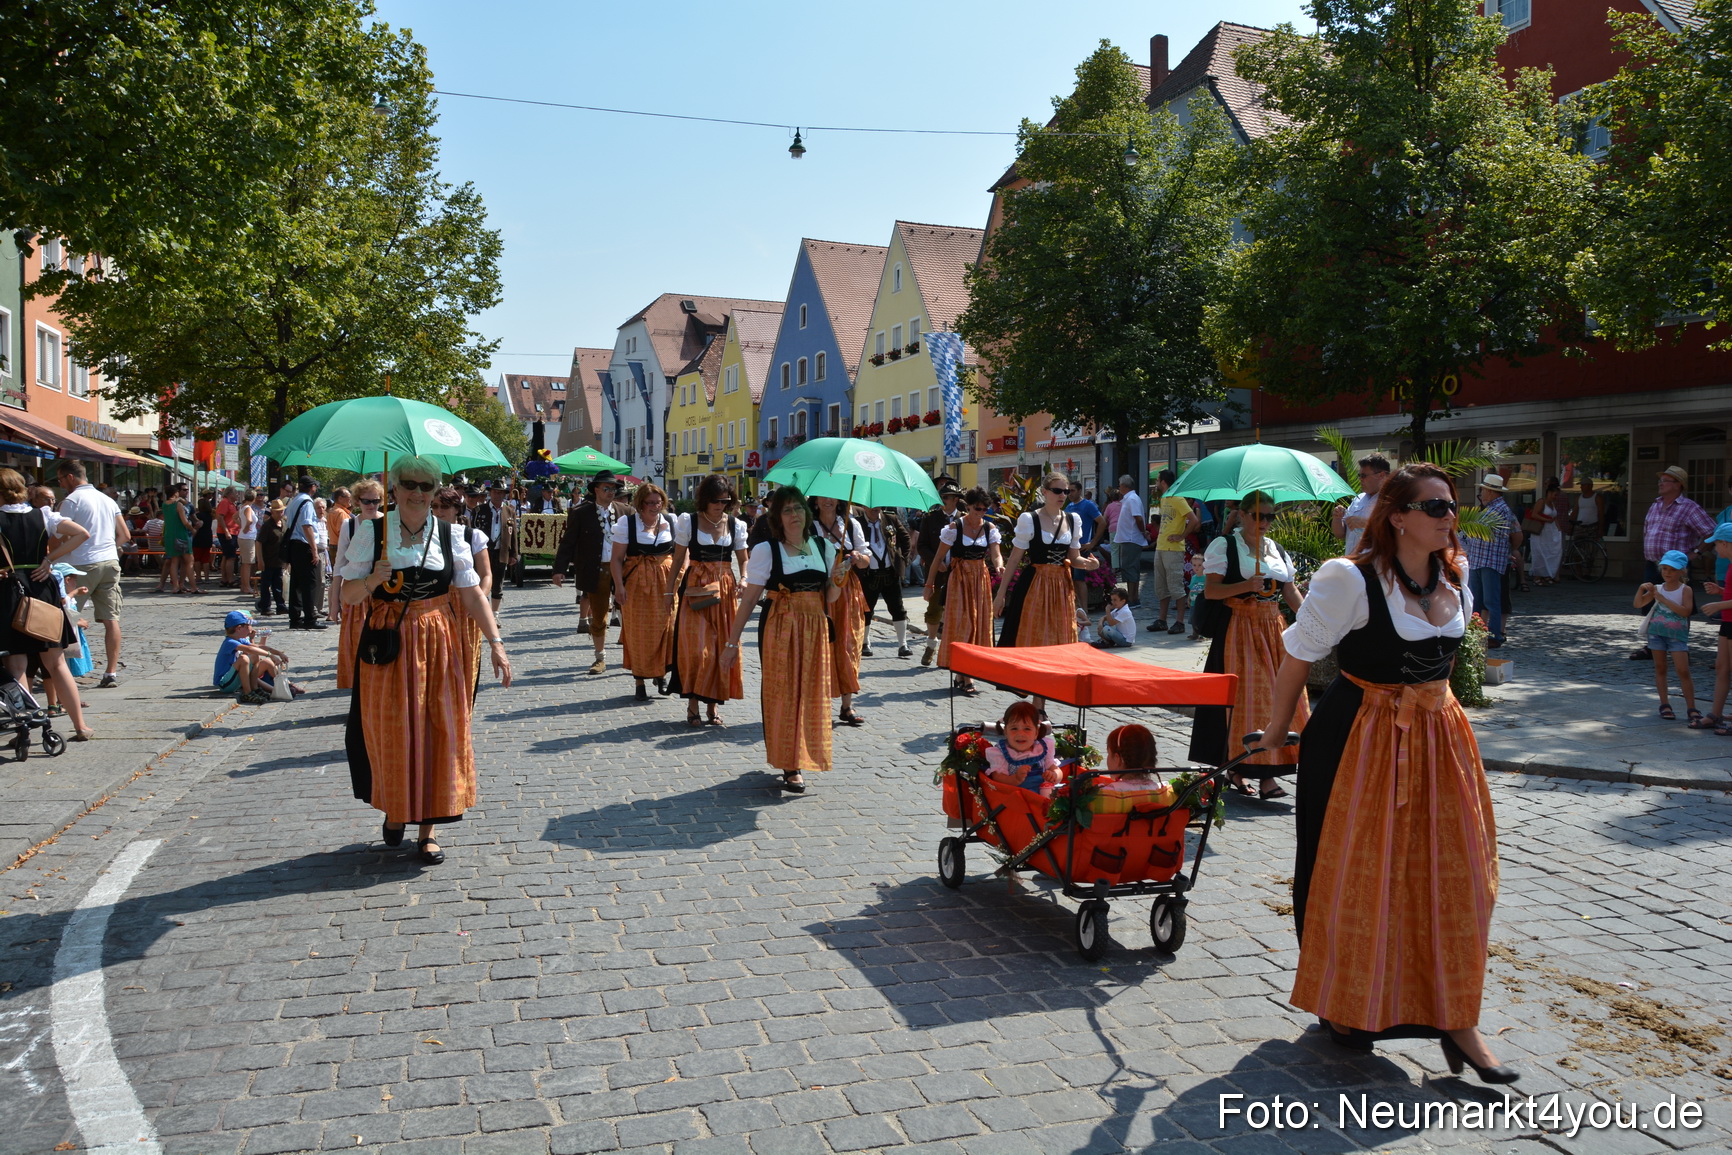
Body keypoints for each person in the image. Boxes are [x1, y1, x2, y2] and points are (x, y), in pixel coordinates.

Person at [1251, 463, 1515, 1084]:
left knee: (1462, 877)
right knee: (1354, 873)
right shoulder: (1349, 579)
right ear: (1397, 517)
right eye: (1437, 507)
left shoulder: (1457, 574)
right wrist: (1271, 735)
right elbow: (1296, 659)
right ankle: (1349, 1003)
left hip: (1440, 738)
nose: (1451, 517)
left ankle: (1457, 1019)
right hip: (1359, 736)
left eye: (1453, 505)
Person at [340, 456, 511, 866]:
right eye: (410, 484)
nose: (418, 492)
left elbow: (471, 594)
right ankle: (395, 807)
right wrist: (371, 581)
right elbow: (348, 595)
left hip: (438, 640)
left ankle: (427, 831)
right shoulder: (373, 532)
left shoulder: (452, 535)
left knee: (439, 728)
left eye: (427, 486)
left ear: (436, 492)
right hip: (387, 643)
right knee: (391, 728)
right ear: (394, 488)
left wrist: (496, 643)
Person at [1188, 489, 1307, 799]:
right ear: (1241, 515)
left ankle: (1268, 771)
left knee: (1279, 699)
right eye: (1258, 516)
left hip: (1273, 632)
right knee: (1247, 702)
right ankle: (1241, 770)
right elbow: (1211, 591)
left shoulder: (1276, 549)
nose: (1265, 522)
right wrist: (1245, 585)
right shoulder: (1224, 545)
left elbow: (1290, 592)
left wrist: (1311, 617)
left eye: (1270, 516)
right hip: (1239, 629)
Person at [724, 486, 842, 793]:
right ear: (777, 517)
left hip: (814, 626)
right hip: (780, 627)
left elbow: (829, 596)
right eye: (787, 510)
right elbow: (749, 601)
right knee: (784, 693)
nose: (794, 515)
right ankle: (790, 765)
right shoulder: (766, 550)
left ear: (807, 513)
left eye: (798, 508)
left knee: (812, 692)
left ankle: (803, 752)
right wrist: (731, 644)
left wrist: (839, 578)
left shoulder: (823, 547)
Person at [994, 472, 1100, 713]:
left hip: (1061, 587)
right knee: (1033, 639)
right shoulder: (1029, 519)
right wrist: (1000, 595)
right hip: (1035, 585)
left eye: (1066, 491)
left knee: (1058, 641)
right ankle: (1037, 701)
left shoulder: (1073, 520)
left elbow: (1074, 559)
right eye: (1057, 490)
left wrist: (1089, 564)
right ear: (1045, 492)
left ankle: (1042, 699)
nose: (1063, 495)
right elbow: (1014, 560)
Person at [0, 468, 94, 740]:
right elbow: (81, 533)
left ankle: (24, 727)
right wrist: (49, 560)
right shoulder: (43, 514)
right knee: (57, 663)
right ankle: (80, 725)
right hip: (41, 586)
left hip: (9, 590)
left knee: (16, 666)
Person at [668, 474, 748, 726]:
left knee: (719, 648)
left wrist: (744, 578)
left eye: (724, 500)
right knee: (695, 649)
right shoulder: (688, 522)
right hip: (696, 588)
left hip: (724, 589)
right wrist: (668, 592)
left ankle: (712, 707)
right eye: (715, 500)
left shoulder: (735, 525)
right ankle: (692, 704)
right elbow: (678, 560)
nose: (720, 505)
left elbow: (744, 559)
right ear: (705, 499)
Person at [56, 459, 129, 690]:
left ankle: (65, 671)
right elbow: (125, 535)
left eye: (59, 479)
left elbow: (63, 536)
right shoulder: (107, 499)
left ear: (69, 477)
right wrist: (109, 548)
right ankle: (111, 672)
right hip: (109, 562)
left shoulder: (71, 501)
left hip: (81, 564)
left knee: (67, 616)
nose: (60, 484)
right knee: (111, 620)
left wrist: (53, 558)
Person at [1632, 465, 1715, 660]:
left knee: (1681, 605)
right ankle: (1653, 646)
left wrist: (1695, 552)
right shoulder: (1655, 504)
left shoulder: (1688, 508)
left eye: (1666, 480)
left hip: (1677, 567)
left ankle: (1680, 644)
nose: (1660, 483)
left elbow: (1711, 532)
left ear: (1678, 485)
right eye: (1660, 480)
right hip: (1653, 564)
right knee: (1651, 604)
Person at [927, 486, 1002, 695]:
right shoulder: (954, 527)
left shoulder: (989, 528)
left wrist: (999, 566)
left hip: (980, 579)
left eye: (985, 508)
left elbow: (995, 554)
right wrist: (929, 585)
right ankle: (967, 677)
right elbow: (938, 559)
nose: (981, 512)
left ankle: (962, 674)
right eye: (977, 508)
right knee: (963, 625)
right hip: (959, 580)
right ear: (968, 506)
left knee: (977, 625)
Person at [553, 471, 628, 675]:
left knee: (629, 613)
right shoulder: (581, 512)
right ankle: (600, 657)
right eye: (606, 488)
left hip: (623, 570)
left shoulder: (626, 511)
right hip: (597, 569)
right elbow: (568, 542)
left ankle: (633, 656)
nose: (611, 492)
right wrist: (559, 569)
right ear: (596, 490)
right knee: (599, 616)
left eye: (613, 489)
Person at [610, 483, 678, 702]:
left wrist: (680, 577)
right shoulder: (627, 524)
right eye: (650, 502)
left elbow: (681, 554)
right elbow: (617, 560)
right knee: (638, 633)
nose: (655, 507)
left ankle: (660, 673)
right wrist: (619, 587)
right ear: (640, 503)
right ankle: (639, 680)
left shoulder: (671, 523)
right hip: (637, 585)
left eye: (658, 502)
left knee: (666, 629)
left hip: (666, 585)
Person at [811, 496, 869, 726]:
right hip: (819, 591)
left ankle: (847, 706)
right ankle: (818, 703)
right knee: (820, 646)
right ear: (815, 500)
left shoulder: (851, 525)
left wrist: (857, 557)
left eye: (832, 496)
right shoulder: (809, 525)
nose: (828, 500)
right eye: (823, 496)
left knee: (849, 645)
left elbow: (867, 561)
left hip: (847, 591)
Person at [433, 485, 494, 696]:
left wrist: (479, 601)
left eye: (445, 507)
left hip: (466, 605)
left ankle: (464, 712)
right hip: (436, 607)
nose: (439, 512)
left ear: (457, 509)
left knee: (466, 666)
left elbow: (486, 575)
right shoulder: (425, 535)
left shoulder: (472, 536)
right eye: (435, 507)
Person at [333, 479, 386, 692]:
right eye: (366, 501)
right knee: (356, 646)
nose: (371, 505)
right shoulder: (350, 525)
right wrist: (333, 603)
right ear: (357, 501)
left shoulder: (388, 523)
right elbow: (339, 565)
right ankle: (360, 692)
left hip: (382, 592)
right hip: (355, 593)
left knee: (381, 643)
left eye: (375, 500)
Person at [1636, 550, 1697, 722]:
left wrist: (1663, 600)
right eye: (1664, 569)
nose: (1667, 573)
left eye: (1672, 569)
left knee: (1683, 670)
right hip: (1657, 634)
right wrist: (1641, 589)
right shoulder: (1657, 588)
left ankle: (1691, 707)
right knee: (1660, 668)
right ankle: (1664, 704)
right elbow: (1638, 603)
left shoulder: (1686, 590)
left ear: (1682, 571)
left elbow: (1686, 611)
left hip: (1677, 636)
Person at [1465, 475, 1521, 650]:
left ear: (1490, 491)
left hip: (1489, 561)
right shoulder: (1492, 508)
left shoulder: (1501, 509)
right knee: (1478, 601)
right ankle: (1478, 633)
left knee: (1490, 601)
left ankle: (1494, 635)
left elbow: (1515, 534)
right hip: (1479, 559)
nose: (1481, 493)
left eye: (1483, 490)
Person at [915, 480, 962, 666]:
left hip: (958, 573)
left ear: (955, 500)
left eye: (946, 498)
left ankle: (952, 649)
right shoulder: (930, 518)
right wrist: (937, 561)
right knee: (934, 609)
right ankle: (931, 644)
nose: (942, 501)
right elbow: (921, 546)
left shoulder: (964, 519)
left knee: (956, 611)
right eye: (941, 497)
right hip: (936, 573)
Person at [857, 506, 911, 658]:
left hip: (890, 573)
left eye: (878, 506)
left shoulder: (890, 518)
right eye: (871, 506)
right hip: (869, 575)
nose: (875, 509)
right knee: (866, 610)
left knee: (898, 608)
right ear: (864, 507)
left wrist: (903, 560)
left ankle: (903, 645)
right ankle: (865, 643)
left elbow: (906, 538)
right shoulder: (857, 523)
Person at [1148, 469, 1197, 635]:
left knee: (1176, 585)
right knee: (1161, 586)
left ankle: (1180, 622)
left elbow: (1194, 520)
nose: (1156, 483)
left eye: (1157, 480)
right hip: (1161, 547)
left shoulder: (1177, 497)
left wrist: (1181, 536)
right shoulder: (1164, 498)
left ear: (1163, 482)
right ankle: (1162, 620)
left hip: (1173, 549)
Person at [213, 610, 300, 703]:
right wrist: (270, 655)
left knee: (255, 656)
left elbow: (259, 647)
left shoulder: (239, 640)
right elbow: (250, 649)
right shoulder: (229, 642)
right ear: (239, 628)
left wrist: (278, 653)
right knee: (244, 659)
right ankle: (247, 693)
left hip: (234, 680)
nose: (250, 629)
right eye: (248, 626)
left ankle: (254, 689)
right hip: (225, 684)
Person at [1694, 524, 1732, 735]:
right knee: (1722, 668)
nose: (1716, 549)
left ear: (1725, 543)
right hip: (1728, 622)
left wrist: (1719, 605)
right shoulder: (1730, 565)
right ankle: (1715, 715)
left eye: (1717, 544)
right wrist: (1721, 592)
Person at [983, 701, 1063, 796]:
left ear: (1036, 733)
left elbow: (1056, 769)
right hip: (1018, 797)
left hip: (1043, 793)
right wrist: (1015, 779)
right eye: (1014, 729)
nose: (1020, 734)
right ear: (1006, 732)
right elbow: (997, 777)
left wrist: (1054, 776)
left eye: (1027, 729)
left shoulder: (1042, 747)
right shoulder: (1001, 752)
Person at [281, 476, 324, 630]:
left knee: (296, 583)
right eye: (315, 486)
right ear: (311, 487)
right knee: (310, 584)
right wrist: (314, 550)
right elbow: (307, 526)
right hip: (303, 545)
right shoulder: (307, 502)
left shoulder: (294, 500)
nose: (316, 489)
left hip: (294, 545)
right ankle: (310, 619)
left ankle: (295, 618)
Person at [469, 481, 516, 617]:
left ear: (504, 494)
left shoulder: (509, 511)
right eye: (495, 492)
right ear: (490, 493)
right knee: (482, 582)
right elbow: (472, 532)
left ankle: (495, 615)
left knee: (497, 585)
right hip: (483, 553)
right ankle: (483, 612)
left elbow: (513, 535)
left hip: (501, 552)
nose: (497, 495)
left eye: (500, 492)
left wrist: (514, 554)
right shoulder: (479, 510)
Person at [1332, 455, 1391, 557]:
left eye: (1363, 476)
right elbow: (1340, 534)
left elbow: (1396, 535)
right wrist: (1337, 518)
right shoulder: (1358, 499)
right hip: (1353, 565)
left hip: (1376, 566)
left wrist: (1366, 524)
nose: (1360, 479)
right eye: (1359, 475)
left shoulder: (1392, 501)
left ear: (1381, 475)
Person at [1111, 474, 1147, 606]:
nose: (1119, 487)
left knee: (1130, 568)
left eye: (1120, 485)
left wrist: (1143, 532)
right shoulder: (1130, 499)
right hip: (1128, 538)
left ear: (1124, 486)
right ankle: (1132, 597)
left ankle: (1132, 598)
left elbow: (1138, 518)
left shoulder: (1132, 499)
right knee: (1130, 568)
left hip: (1131, 538)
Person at [1529, 477, 1567, 585]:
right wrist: (1547, 519)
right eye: (1555, 495)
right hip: (1540, 531)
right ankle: (1537, 576)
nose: (1556, 497)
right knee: (1539, 553)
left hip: (1550, 533)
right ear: (1549, 493)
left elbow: (1555, 517)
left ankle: (1547, 574)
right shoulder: (1542, 502)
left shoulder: (1552, 504)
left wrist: (1558, 528)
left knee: (1549, 552)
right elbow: (1534, 514)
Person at [159, 483, 196, 594]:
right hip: (181, 534)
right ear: (175, 493)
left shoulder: (165, 505)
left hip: (169, 535)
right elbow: (184, 521)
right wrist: (192, 529)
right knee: (189, 560)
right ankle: (193, 587)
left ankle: (175, 586)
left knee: (174, 561)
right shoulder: (178, 505)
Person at [255, 500, 287, 617]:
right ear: (272, 512)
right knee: (266, 585)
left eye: (282, 511)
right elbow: (259, 543)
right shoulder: (267, 525)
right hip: (268, 559)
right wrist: (260, 560)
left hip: (279, 560)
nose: (280, 513)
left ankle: (280, 606)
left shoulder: (284, 523)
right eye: (278, 511)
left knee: (278, 585)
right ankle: (265, 607)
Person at [237, 489, 262, 597]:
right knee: (248, 563)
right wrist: (246, 528)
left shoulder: (242, 507)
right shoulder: (248, 508)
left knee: (244, 563)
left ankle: (244, 585)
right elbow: (250, 521)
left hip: (243, 537)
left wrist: (241, 526)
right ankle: (246, 586)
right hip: (248, 537)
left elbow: (235, 517)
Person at [215, 487, 240, 588]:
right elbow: (220, 517)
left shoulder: (231, 504)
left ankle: (224, 579)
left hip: (232, 531)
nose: (237, 495)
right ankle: (230, 579)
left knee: (226, 555)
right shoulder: (225, 502)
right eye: (235, 493)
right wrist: (226, 531)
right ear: (230, 494)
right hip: (227, 532)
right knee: (231, 557)